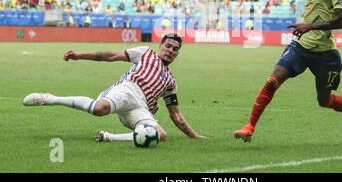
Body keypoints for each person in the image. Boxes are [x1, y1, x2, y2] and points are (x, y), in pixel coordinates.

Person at [234, 0, 342, 143]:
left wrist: (310, 26)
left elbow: (341, 21)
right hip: (300, 47)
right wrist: (305, 27)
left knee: (324, 100)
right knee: (273, 80)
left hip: (324, 53)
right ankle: (250, 126)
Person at [22, 34, 208, 144]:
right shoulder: (145, 53)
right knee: (99, 109)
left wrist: (195, 136)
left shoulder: (171, 82)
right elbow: (112, 56)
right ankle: (49, 98)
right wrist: (80, 55)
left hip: (140, 108)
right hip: (127, 90)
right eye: (168, 46)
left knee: (161, 135)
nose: (170, 50)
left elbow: (175, 114)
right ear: (160, 46)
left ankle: (109, 137)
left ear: (177, 54)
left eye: (175, 49)